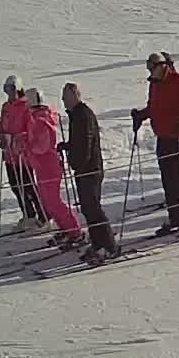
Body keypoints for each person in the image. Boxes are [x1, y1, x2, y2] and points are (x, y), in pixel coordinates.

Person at [132, 54, 179, 236]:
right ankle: (176, 217)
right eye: (149, 69)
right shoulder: (154, 84)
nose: (151, 72)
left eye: (153, 68)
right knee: (167, 177)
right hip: (163, 135)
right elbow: (153, 107)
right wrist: (141, 115)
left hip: (178, 135)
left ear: (163, 66)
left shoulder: (177, 81)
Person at [61, 84, 119, 262]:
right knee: (87, 208)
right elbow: (79, 141)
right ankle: (98, 243)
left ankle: (108, 245)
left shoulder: (83, 115)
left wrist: (76, 162)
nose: (63, 100)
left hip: (89, 169)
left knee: (93, 208)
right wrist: (67, 146)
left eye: (65, 96)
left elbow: (85, 144)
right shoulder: (76, 115)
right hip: (85, 168)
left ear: (74, 96)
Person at [21, 88, 83, 246]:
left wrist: (26, 145)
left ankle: (75, 230)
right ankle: (65, 228)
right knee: (48, 201)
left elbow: (41, 146)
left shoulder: (41, 120)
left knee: (53, 201)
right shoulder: (36, 118)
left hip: (48, 166)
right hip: (43, 166)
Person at [0, 75, 44, 228]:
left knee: (28, 185)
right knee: (15, 186)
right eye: (6, 89)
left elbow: (31, 129)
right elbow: (2, 126)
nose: (9, 93)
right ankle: (28, 214)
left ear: (18, 89)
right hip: (10, 154)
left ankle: (43, 214)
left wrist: (18, 138)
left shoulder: (26, 106)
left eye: (11, 89)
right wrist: (1, 138)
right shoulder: (6, 107)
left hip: (23, 154)